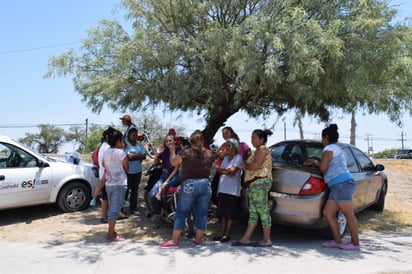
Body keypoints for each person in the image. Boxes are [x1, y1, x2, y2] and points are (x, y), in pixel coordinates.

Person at [304, 124, 360, 250]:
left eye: (322, 137)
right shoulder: (335, 148)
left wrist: (315, 165)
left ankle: (355, 244)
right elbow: (327, 164)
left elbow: (323, 168)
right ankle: (337, 241)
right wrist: (315, 162)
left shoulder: (329, 148)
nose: (322, 140)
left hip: (342, 184)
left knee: (348, 214)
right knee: (328, 213)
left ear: (326, 137)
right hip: (337, 185)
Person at [159, 130, 216, 248]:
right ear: (203, 141)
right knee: (202, 213)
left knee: (181, 212)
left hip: (190, 184)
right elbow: (213, 166)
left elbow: (174, 163)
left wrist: (172, 150)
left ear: (191, 141)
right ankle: (198, 240)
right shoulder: (209, 153)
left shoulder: (186, 152)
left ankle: (174, 240)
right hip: (205, 184)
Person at [232, 129, 273, 248]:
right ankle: (246, 238)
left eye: (255, 137)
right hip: (255, 183)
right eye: (252, 137)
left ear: (262, 139)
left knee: (262, 210)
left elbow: (256, 166)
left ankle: (267, 239)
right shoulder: (258, 150)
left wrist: (246, 166)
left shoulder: (262, 149)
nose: (252, 139)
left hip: (259, 181)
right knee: (254, 212)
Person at [212, 138, 242, 243]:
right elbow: (225, 172)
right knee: (222, 213)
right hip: (223, 188)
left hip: (232, 190)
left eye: (229, 146)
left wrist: (223, 170)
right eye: (226, 146)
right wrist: (226, 171)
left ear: (235, 148)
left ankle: (227, 234)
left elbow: (233, 171)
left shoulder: (238, 158)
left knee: (230, 214)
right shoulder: (225, 159)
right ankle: (222, 234)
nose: (227, 148)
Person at [102, 130, 129, 241]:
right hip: (119, 184)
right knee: (114, 210)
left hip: (109, 184)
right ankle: (110, 235)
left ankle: (112, 232)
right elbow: (127, 167)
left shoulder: (106, 152)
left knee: (112, 208)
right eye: (121, 140)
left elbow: (103, 164)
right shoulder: (121, 153)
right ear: (118, 141)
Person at [148, 134, 182, 221]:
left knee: (164, 190)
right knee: (151, 194)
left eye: (170, 141)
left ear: (174, 141)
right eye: (167, 141)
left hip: (175, 175)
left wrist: (165, 182)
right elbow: (155, 163)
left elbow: (175, 170)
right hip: (165, 174)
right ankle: (158, 212)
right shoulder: (165, 153)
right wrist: (157, 154)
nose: (168, 143)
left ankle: (168, 211)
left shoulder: (178, 153)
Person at [211, 126, 238, 205]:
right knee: (214, 191)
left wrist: (219, 154)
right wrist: (218, 154)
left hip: (226, 170)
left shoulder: (232, 144)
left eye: (226, 133)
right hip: (219, 170)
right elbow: (216, 154)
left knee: (220, 192)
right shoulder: (224, 144)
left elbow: (221, 155)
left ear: (231, 133)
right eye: (223, 133)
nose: (224, 135)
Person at [124, 127, 146, 215]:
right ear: (129, 135)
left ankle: (133, 208)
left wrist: (135, 156)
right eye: (133, 135)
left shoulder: (140, 145)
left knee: (135, 190)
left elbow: (144, 156)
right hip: (127, 172)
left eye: (136, 135)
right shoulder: (126, 145)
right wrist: (138, 156)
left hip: (137, 171)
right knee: (125, 190)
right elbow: (128, 157)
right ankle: (122, 208)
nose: (135, 136)